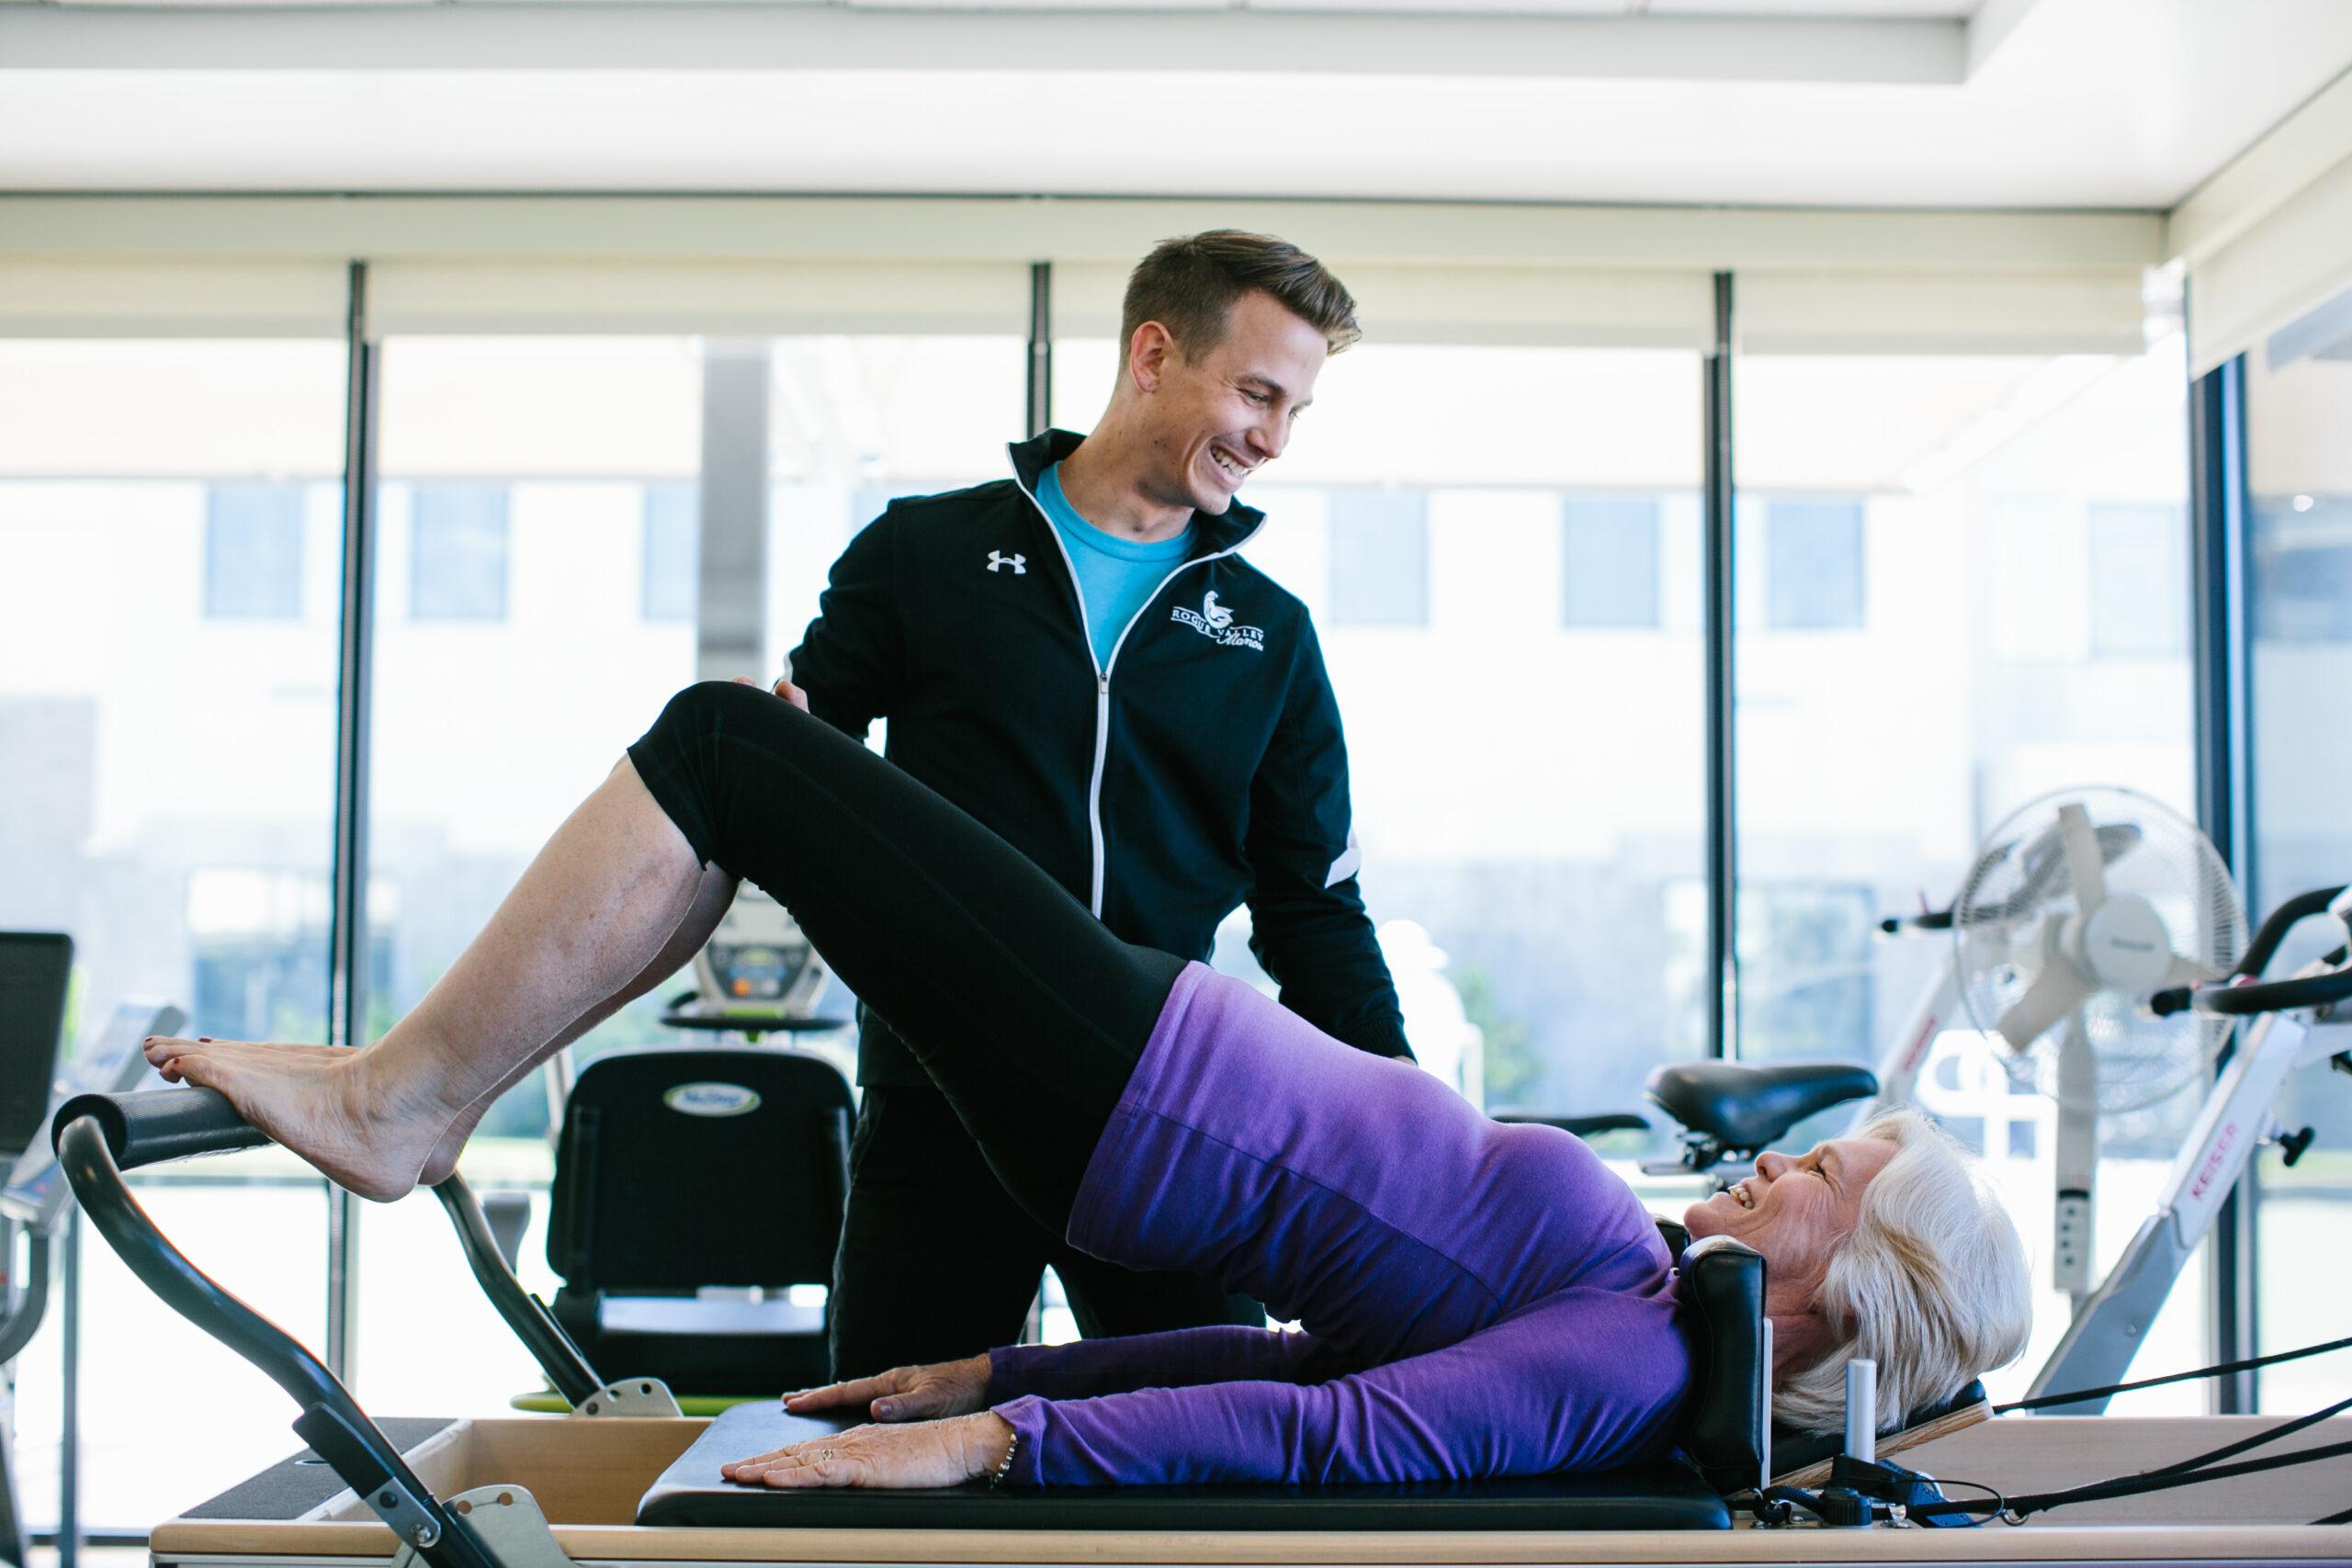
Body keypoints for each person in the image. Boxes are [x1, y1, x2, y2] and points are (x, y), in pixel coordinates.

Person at [145, 681, 2035, 1490]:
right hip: (1159, 1067)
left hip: (1152, 1089)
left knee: (733, 754)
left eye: (1825, 1168)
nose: (1784, 1155)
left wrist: (992, 1448)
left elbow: (1337, 1442)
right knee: (749, 792)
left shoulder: (1631, 1359)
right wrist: (1011, 1369)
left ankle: (404, 1105)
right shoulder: (1635, 1307)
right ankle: (410, 1086)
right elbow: (1307, 1366)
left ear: (1843, 1277)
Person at [785, 230, 1414, 1379]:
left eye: (1295, 412)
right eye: (1256, 393)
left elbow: (1313, 910)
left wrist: (1415, 1125)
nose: (1271, 440)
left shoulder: (1267, 637)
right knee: (875, 1463)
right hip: (941, 1096)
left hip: (1168, 1110)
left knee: (1211, 1469)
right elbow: (806, 785)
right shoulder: (923, 554)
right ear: (1154, 354)